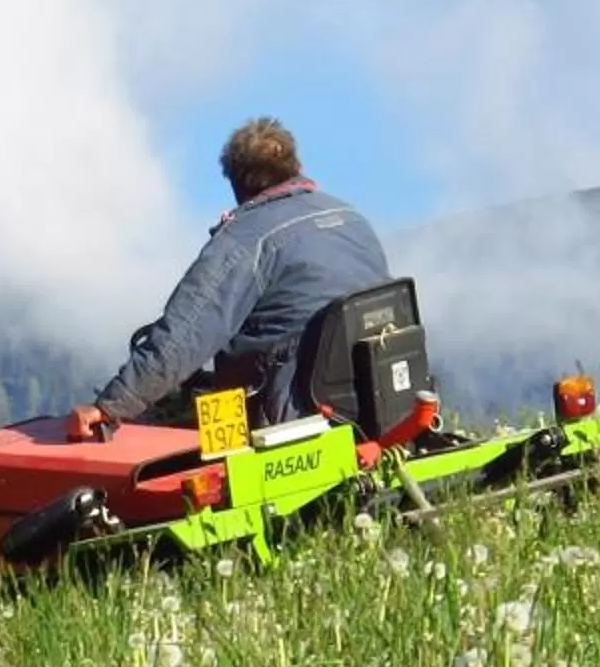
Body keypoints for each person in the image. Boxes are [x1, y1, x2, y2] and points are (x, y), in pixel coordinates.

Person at [68, 118, 392, 438]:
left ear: (237, 184)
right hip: (375, 400)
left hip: (287, 416)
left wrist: (111, 406)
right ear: (296, 165)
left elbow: (183, 334)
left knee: (174, 417)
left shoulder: (244, 240)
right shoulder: (351, 219)